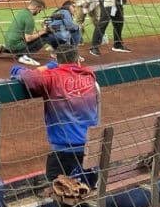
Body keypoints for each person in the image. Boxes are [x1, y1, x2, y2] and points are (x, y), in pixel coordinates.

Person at [14, 44, 98, 181]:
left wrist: (18, 69)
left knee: (55, 184)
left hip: (64, 152)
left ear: (57, 59)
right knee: (85, 183)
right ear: (78, 59)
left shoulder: (52, 76)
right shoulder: (89, 75)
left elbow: (29, 77)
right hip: (91, 148)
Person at [0, 0, 50, 66]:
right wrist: (44, 31)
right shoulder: (29, 18)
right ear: (37, 7)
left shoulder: (22, 13)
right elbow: (28, 38)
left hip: (9, 43)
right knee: (45, 37)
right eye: (40, 10)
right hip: (16, 45)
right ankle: (24, 56)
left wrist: (41, 31)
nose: (39, 12)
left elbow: (26, 34)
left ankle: (5, 49)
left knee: (38, 35)